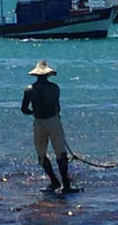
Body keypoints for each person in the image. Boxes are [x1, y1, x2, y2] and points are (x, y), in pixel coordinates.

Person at [20, 60, 79, 193]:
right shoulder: (54, 88)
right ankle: (65, 185)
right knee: (61, 153)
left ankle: (54, 181)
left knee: (41, 154)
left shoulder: (30, 89)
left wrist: (33, 112)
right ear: (47, 75)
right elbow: (57, 108)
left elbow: (24, 109)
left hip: (39, 121)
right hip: (54, 120)